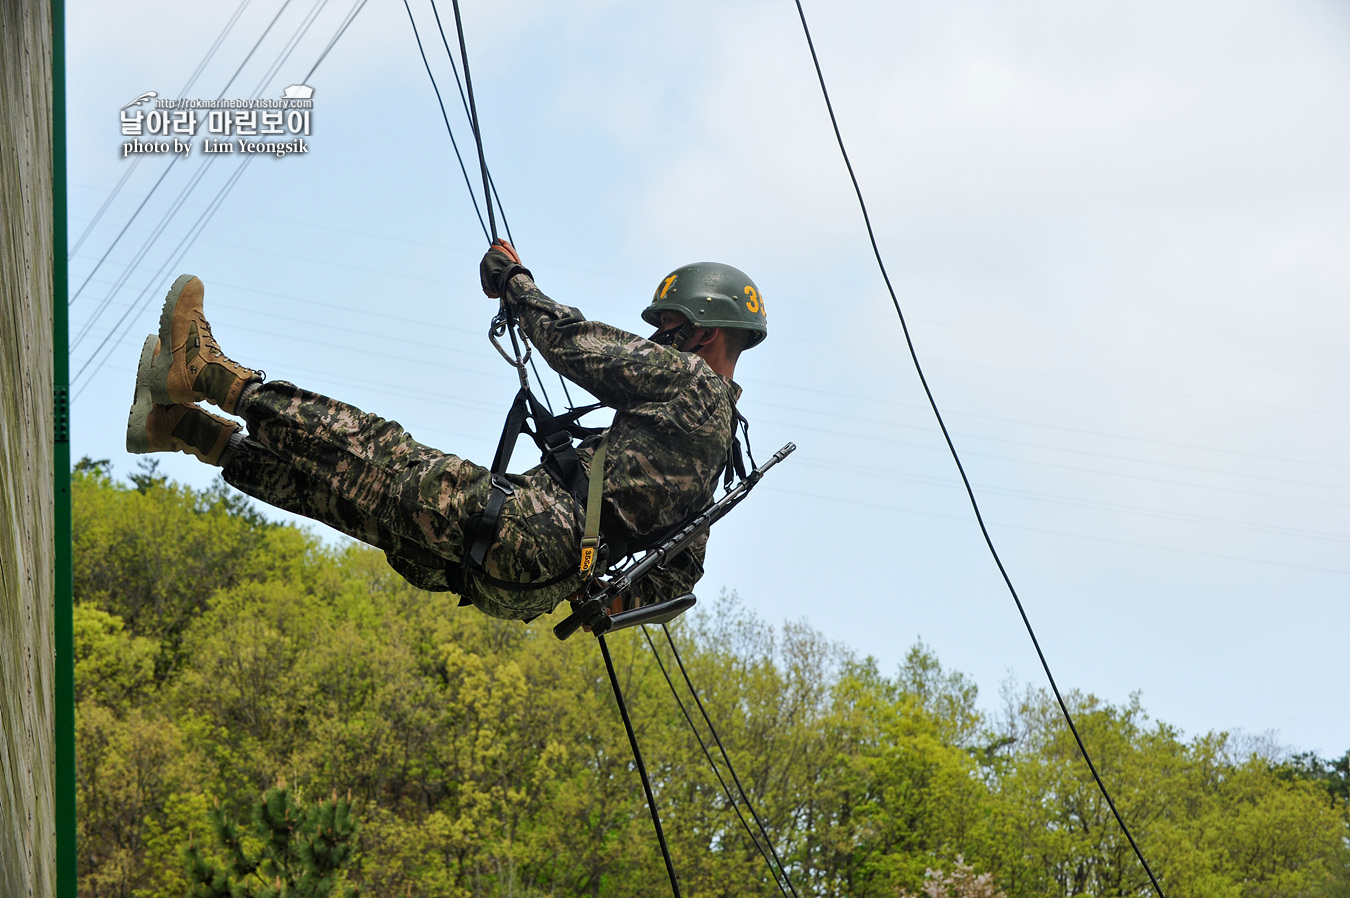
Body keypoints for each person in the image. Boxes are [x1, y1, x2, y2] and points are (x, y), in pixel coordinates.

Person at [125, 242, 768, 621]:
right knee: (350, 495)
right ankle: (181, 428)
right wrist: (604, 601)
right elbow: (677, 585)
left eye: (668, 329)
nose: (658, 340)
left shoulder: (692, 383)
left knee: (370, 449)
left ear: (703, 332)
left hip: (533, 527)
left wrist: (516, 284)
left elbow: (577, 346)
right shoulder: (719, 460)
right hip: (519, 586)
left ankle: (207, 375)